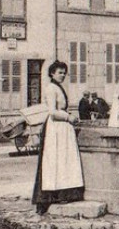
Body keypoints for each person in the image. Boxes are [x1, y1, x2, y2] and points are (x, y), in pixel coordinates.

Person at [32, 60, 85, 215]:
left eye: (64, 73)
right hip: (56, 127)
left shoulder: (58, 87)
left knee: (64, 159)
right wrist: (68, 117)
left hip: (63, 128)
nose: (62, 75)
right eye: (59, 72)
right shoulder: (51, 88)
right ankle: (51, 195)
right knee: (54, 160)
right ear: (52, 73)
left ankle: (64, 193)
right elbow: (52, 111)